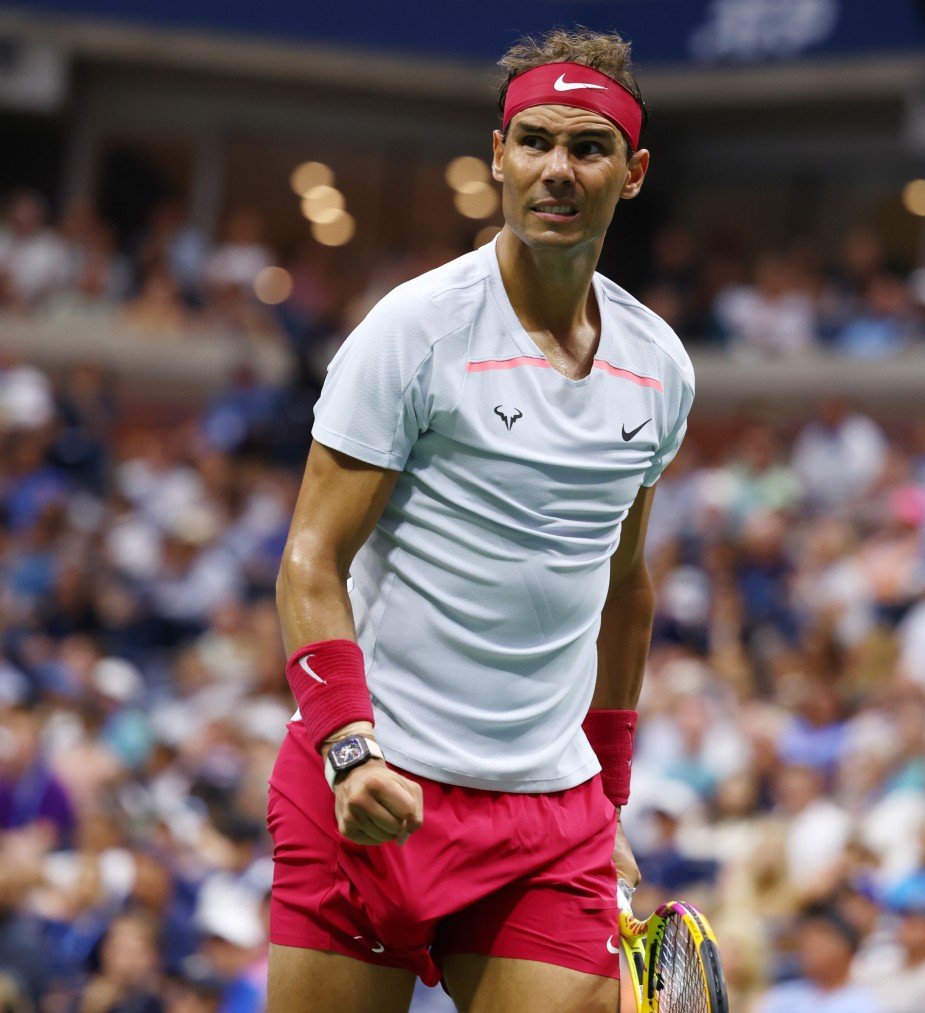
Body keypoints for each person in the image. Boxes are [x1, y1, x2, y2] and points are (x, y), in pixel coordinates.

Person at [267, 27, 690, 1013]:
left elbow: (623, 589)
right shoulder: (413, 330)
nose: (557, 168)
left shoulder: (660, 366)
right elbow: (310, 557)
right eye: (534, 140)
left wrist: (609, 793)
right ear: (497, 153)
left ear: (631, 173)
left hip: (547, 814)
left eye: (588, 148)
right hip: (373, 785)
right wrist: (347, 745)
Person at [754, 905, 884, 1013]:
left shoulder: (865, 1005)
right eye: (806, 941)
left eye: (821, 940)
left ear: (848, 949)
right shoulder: (782, 995)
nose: (811, 946)